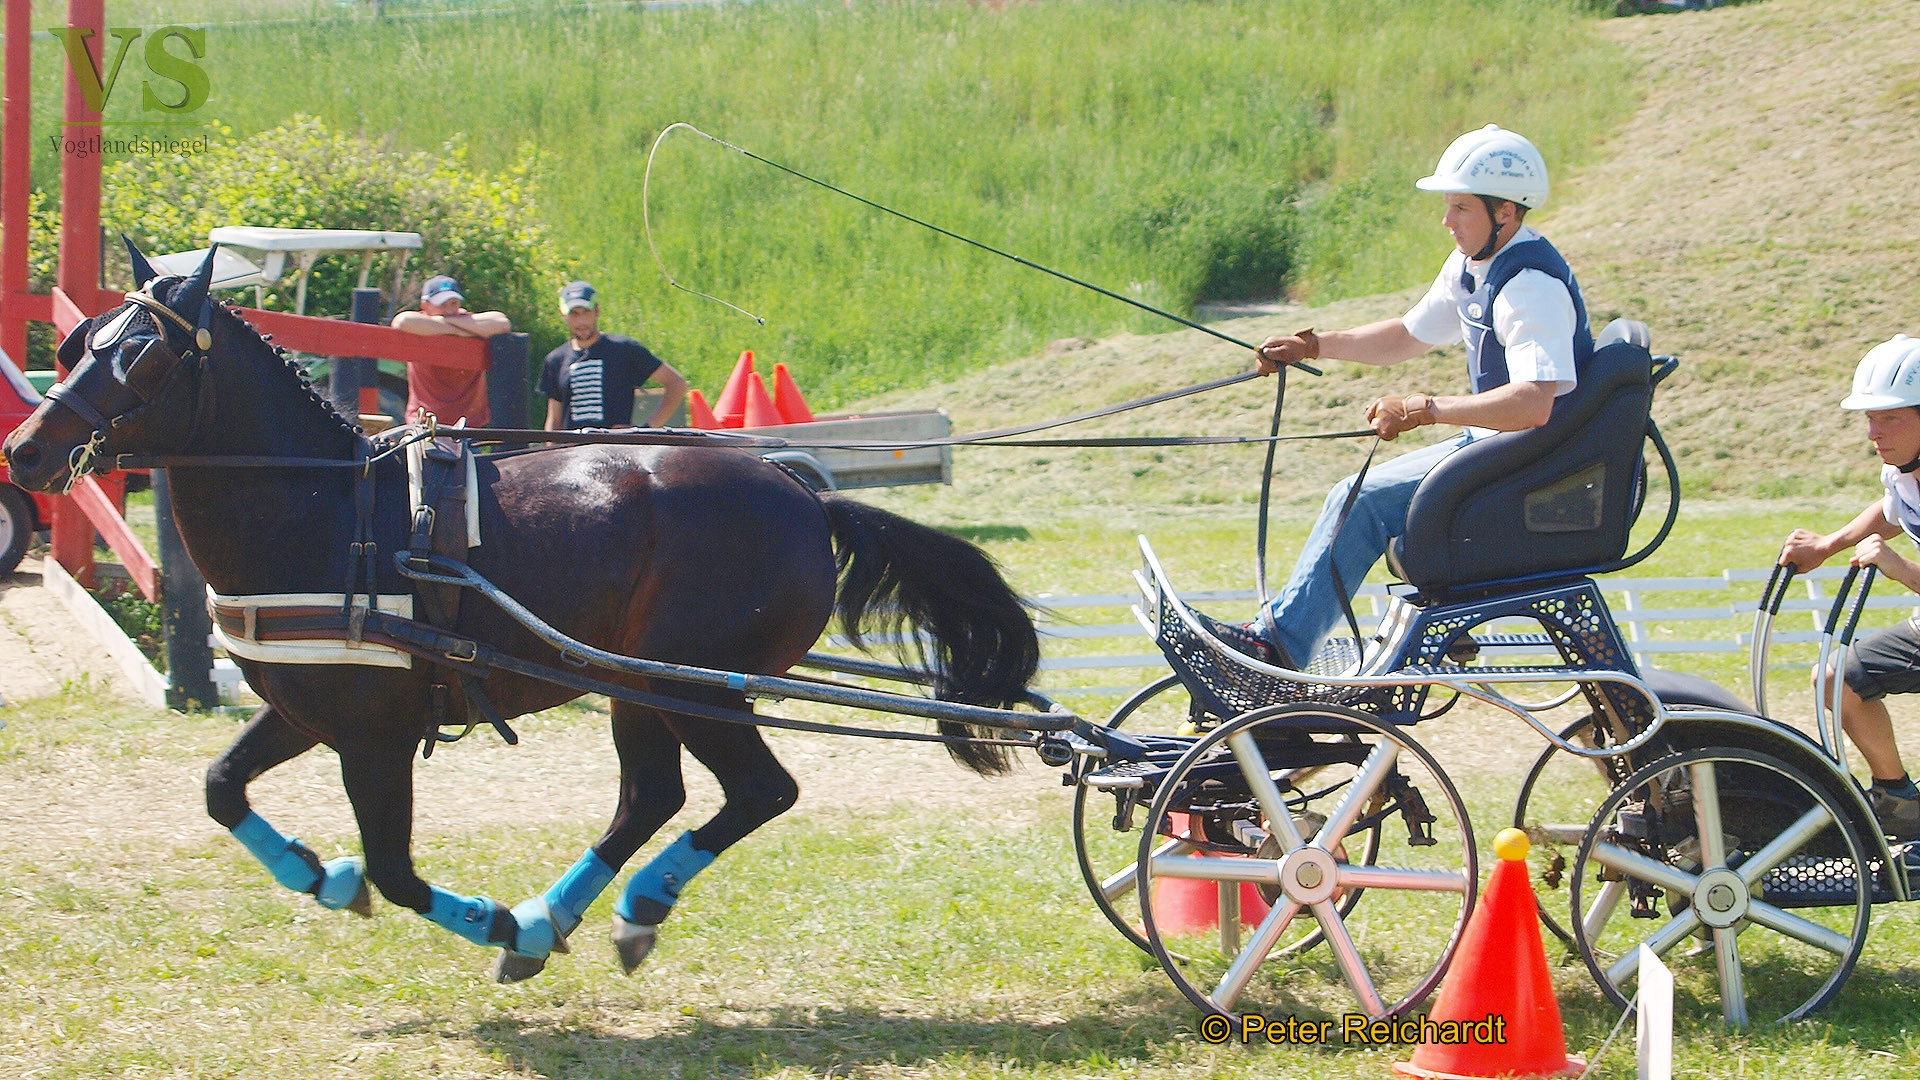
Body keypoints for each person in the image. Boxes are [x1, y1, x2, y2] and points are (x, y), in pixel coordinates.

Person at [1230, 124, 1591, 669]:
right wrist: (1314, 345)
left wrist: (1427, 410)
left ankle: (1278, 647)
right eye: (1448, 206)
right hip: (1502, 450)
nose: (1447, 221)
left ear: (1505, 213)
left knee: (1361, 501)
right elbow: (1405, 335)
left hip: (1530, 462)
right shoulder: (1475, 266)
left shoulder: (1528, 287)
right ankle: (1280, 637)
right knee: (1353, 496)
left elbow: (1533, 403)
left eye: (1461, 208)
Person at [1779, 335, 1920, 842]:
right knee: (1836, 678)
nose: (1873, 433)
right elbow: (1892, 511)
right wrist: (1827, 545)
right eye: (1870, 418)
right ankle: (1901, 806)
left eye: (1890, 419)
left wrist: (1898, 567)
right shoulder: (1903, 475)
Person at [540, 281, 688, 431]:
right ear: (563, 315)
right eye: (574, 314)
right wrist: (551, 444)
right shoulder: (556, 360)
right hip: (572, 444)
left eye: (586, 312)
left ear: (597, 310)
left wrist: (647, 429)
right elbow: (554, 418)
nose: (581, 321)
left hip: (615, 444)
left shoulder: (624, 349)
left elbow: (677, 384)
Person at [390, 274, 512, 426]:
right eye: (442, 304)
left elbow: (502, 323)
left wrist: (445, 323)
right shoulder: (462, 324)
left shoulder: (464, 319)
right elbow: (402, 321)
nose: (449, 310)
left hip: (470, 424)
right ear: (425, 305)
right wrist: (460, 330)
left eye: (453, 303)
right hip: (425, 423)